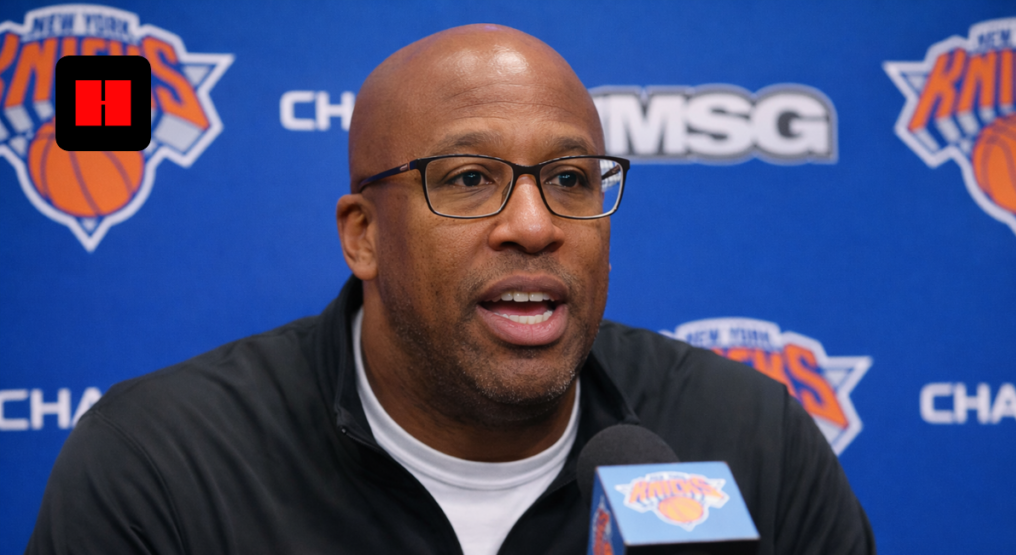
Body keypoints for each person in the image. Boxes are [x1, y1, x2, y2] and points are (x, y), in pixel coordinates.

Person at [26, 24, 874, 555]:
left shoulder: (749, 438)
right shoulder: (164, 464)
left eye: (572, 178)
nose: (536, 225)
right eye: (469, 178)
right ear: (364, 235)